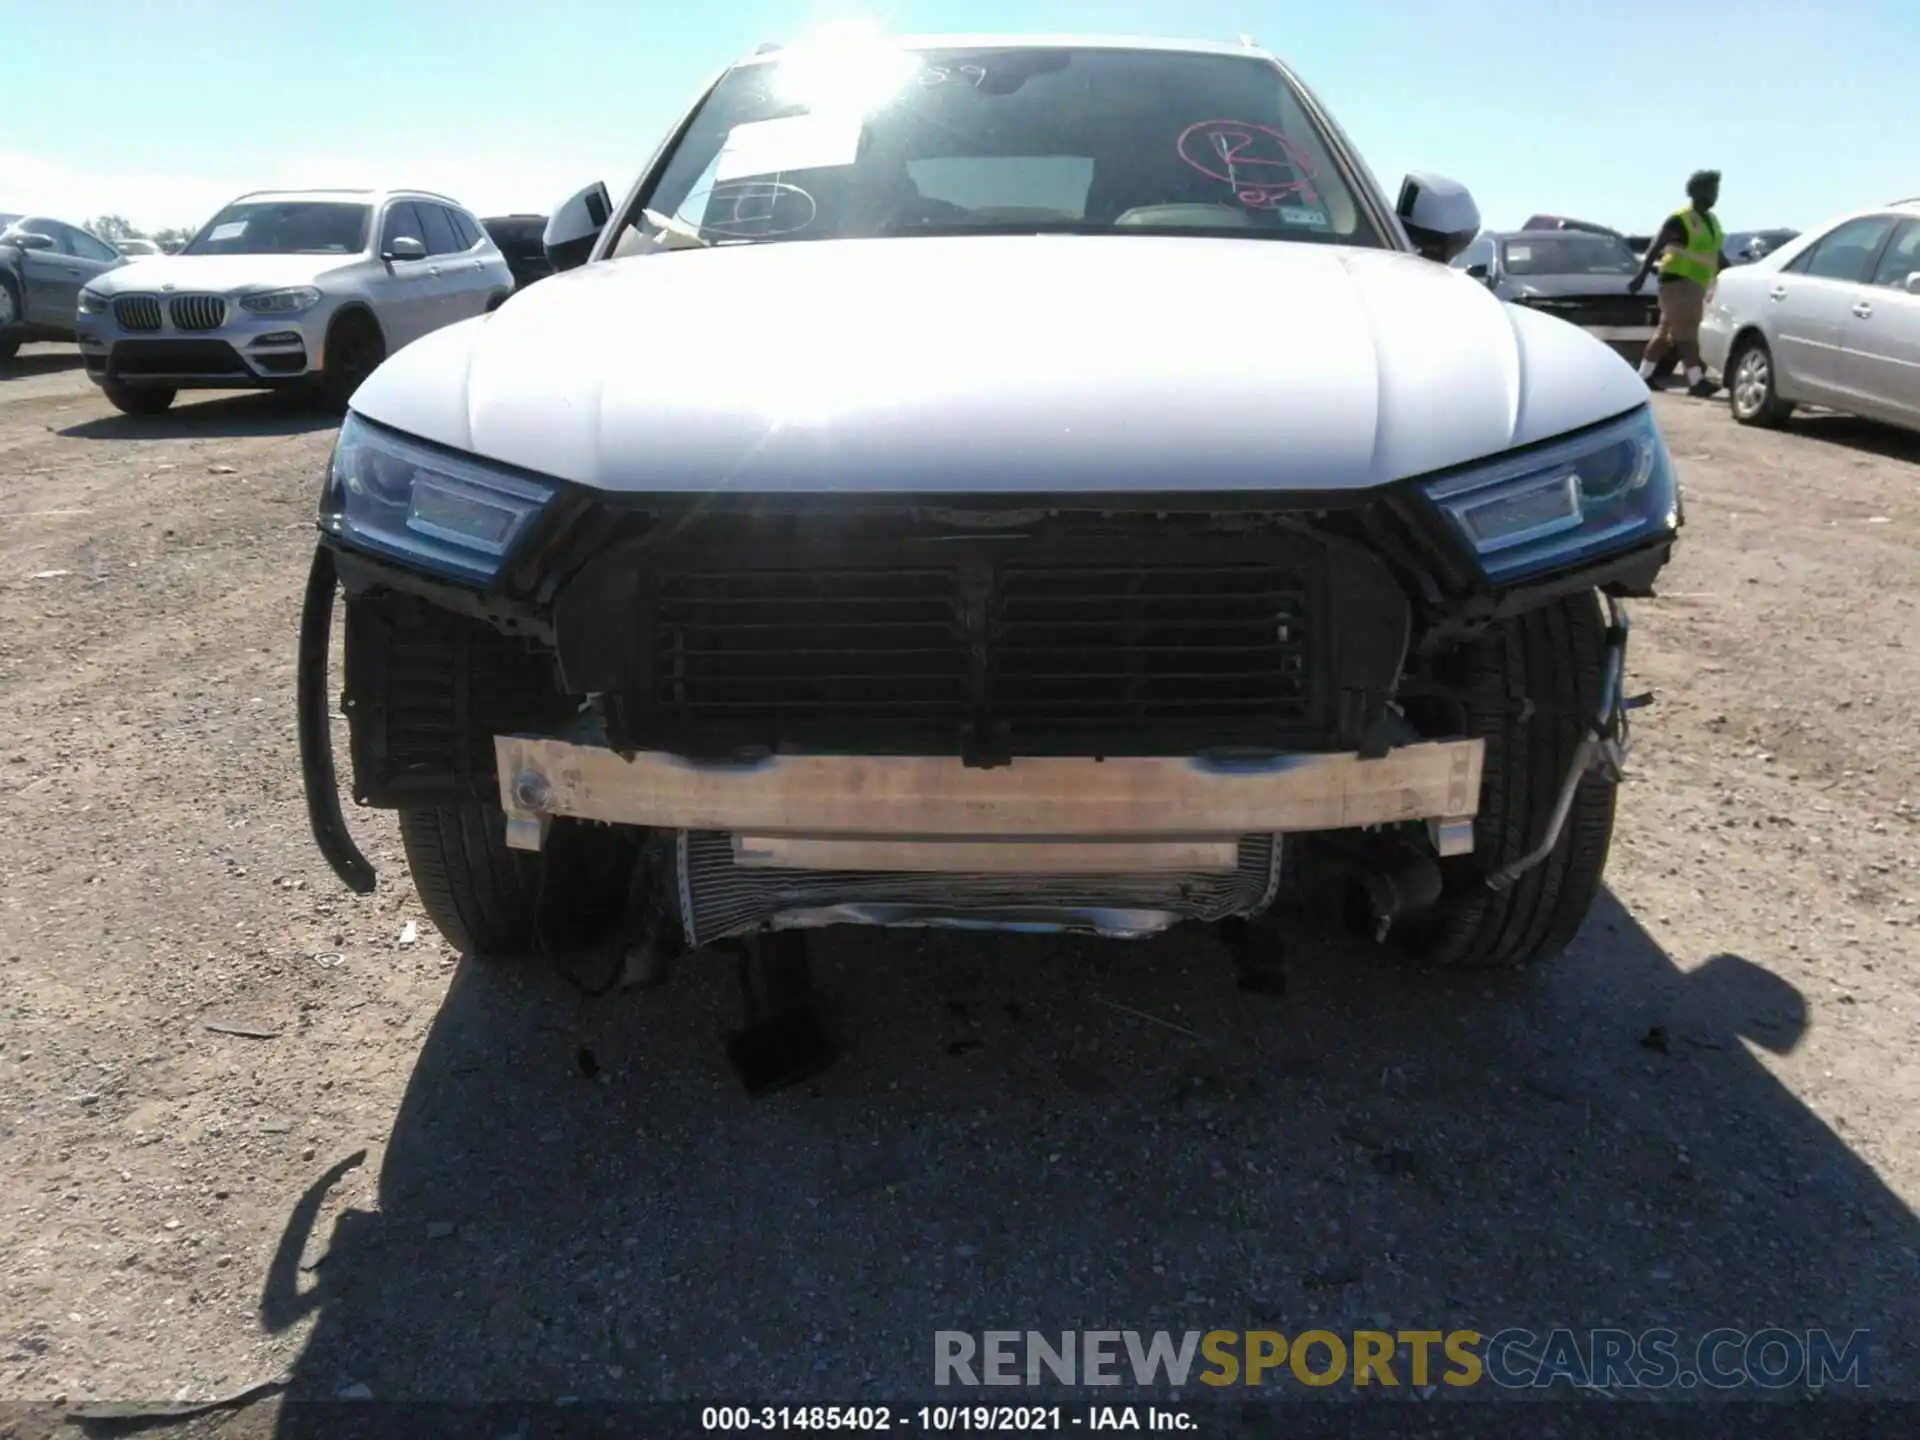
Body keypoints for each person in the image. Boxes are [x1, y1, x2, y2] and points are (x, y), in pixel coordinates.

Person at [1628, 170, 1728, 398]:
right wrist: (1641, 275)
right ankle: (1696, 381)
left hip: (1696, 283)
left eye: (1716, 190)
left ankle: (1643, 376)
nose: (1715, 195)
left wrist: (1732, 275)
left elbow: (1716, 254)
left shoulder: (1711, 222)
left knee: (1666, 333)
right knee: (1687, 333)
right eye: (1710, 190)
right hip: (1678, 280)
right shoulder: (1681, 219)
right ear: (1696, 191)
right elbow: (1655, 246)